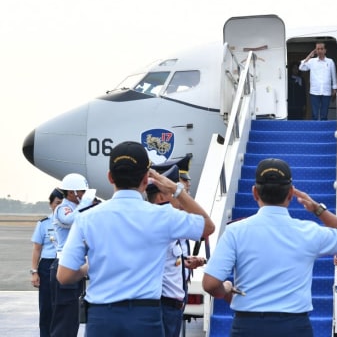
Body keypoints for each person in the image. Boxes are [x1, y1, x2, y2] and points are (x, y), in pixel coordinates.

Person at [57, 141, 214, 337]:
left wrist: (91, 266)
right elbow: (208, 226)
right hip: (145, 317)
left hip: (102, 317)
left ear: (110, 177)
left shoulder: (86, 218)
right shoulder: (162, 216)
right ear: (146, 179)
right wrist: (176, 189)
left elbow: (64, 276)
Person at [202, 158, 337, 337]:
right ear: (290, 193)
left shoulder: (235, 231)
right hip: (294, 326)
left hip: (248, 326)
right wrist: (317, 209)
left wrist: (226, 290)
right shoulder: (308, 231)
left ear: (254, 192)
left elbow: (211, 284)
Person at [146, 164, 206, 337]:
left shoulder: (172, 219)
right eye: (175, 192)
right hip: (163, 305)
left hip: (172, 303)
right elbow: (207, 225)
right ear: (160, 197)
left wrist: (185, 262)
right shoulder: (165, 219)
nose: (182, 196)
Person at [50, 172, 93, 337]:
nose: (84, 195)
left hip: (76, 266)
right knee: (64, 319)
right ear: (71, 192)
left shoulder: (77, 208)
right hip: (63, 265)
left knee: (73, 317)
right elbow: (70, 220)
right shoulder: (63, 208)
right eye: (82, 191)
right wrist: (86, 204)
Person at [30, 187, 64, 337]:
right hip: (46, 266)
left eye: (63, 204)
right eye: (57, 203)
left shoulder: (71, 223)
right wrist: (34, 272)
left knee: (63, 307)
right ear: (51, 204)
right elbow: (37, 249)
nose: (59, 207)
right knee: (46, 308)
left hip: (64, 265)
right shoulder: (44, 224)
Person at [299, 42, 337, 121]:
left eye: (321, 49)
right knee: (314, 115)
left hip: (326, 91)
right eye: (318, 49)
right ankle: (315, 131)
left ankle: (323, 132)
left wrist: (334, 88)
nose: (319, 51)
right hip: (314, 91)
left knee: (324, 115)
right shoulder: (312, 61)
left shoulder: (330, 62)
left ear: (325, 50)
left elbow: (334, 75)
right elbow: (301, 67)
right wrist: (309, 56)